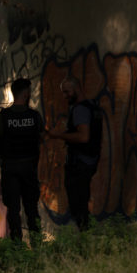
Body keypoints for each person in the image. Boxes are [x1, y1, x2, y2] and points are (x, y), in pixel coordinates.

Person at [0, 78, 44, 241]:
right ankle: (36, 242)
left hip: (10, 167)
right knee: (31, 207)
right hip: (29, 166)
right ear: (27, 93)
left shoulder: (3, 117)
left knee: (13, 209)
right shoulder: (34, 116)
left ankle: (16, 245)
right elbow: (41, 138)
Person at [47, 75, 102, 230]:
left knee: (77, 204)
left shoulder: (80, 110)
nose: (65, 96)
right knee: (81, 202)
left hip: (80, 164)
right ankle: (85, 235)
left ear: (76, 88)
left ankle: (85, 237)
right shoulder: (92, 106)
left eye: (67, 92)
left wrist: (58, 134)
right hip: (90, 161)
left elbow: (83, 137)